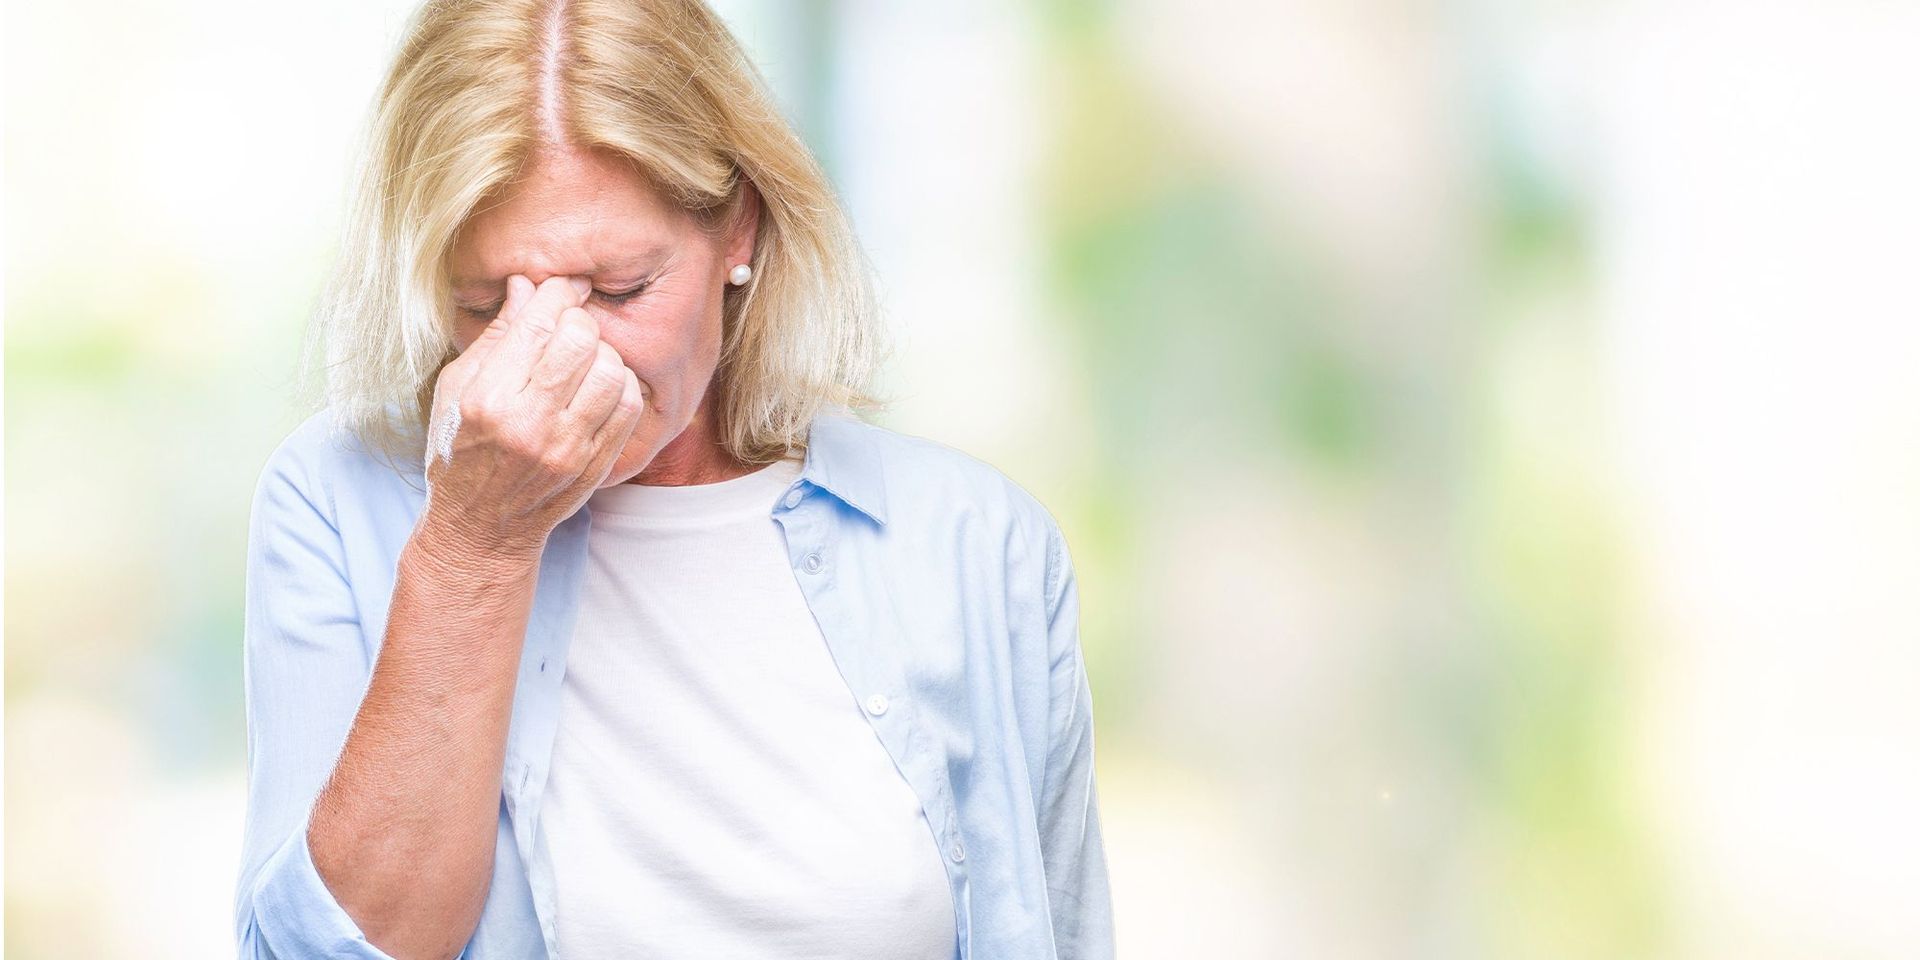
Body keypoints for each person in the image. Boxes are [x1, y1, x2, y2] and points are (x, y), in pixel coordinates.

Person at [231, 1, 1114, 958]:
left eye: (618, 291)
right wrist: (474, 545)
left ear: (737, 229)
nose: (559, 352)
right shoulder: (335, 501)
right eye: (484, 304)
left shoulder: (975, 546)